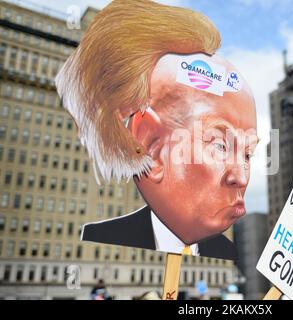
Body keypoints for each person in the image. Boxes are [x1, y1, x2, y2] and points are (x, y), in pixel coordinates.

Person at [55, 0, 258, 261]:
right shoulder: (103, 236)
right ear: (151, 144)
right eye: (219, 145)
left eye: (248, 154)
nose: (241, 178)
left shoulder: (227, 252)